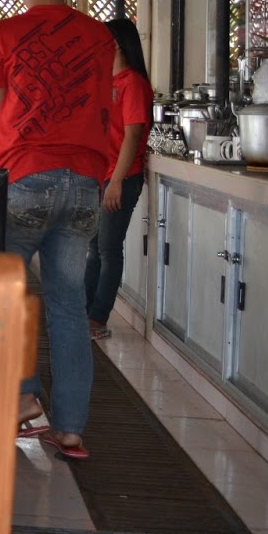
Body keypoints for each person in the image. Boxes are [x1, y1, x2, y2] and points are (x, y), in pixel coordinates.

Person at [0, 0, 115, 461]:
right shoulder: (100, 37)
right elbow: (102, 108)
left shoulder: (1, 35)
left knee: (2, 296)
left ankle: (23, 396)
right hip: (84, 183)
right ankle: (73, 429)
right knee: (67, 304)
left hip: (25, 179)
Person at [85, 18, 153, 341]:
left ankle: (97, 318)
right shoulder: (104, 81)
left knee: (108, 250)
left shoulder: (133, 84)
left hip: (122, 178)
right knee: (94, 248)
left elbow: (133, 135)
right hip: (102, 176)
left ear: (117, 44)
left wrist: (116, 182)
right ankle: (83, 313)